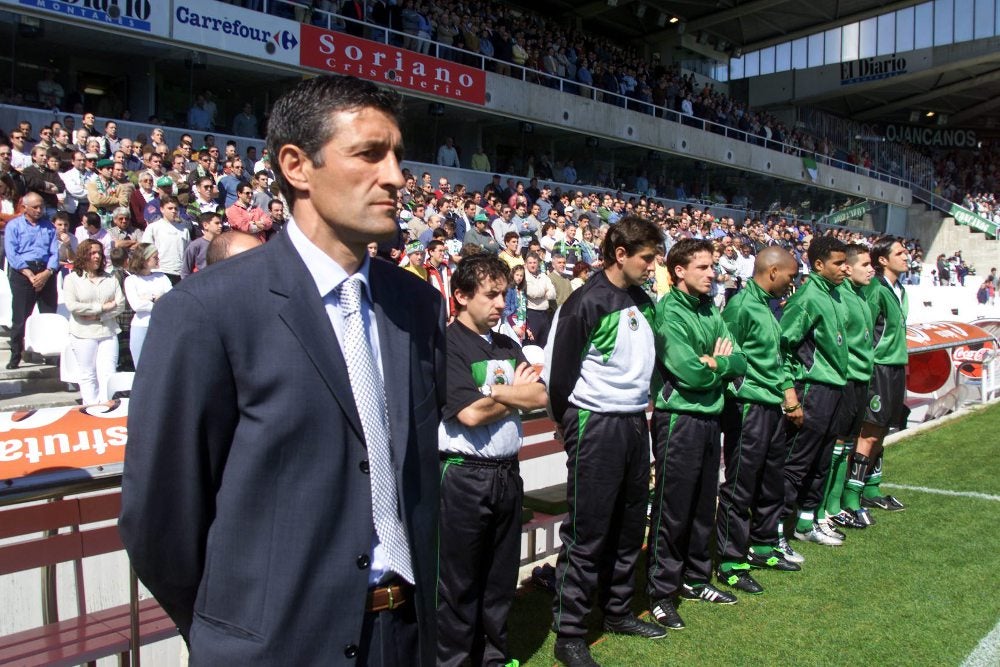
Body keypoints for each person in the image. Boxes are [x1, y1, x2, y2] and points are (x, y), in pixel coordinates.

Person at [120, 75, 446, 666]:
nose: (397, 177)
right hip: (274, 648)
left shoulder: (417, 306)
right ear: (297, 165)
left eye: (398, 156)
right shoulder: (205, 311)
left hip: (405, 637)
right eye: (370, 154)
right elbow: (160, 519)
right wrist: (234, 630)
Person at [544, 216, 667, 667]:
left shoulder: (643, 299)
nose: (653, 267)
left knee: (631, 522)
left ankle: (616, 610)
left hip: (636, 422)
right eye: (647, 258)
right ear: (620, 254)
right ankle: (570, 632)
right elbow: (557, 379)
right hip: (596, 424)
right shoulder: (584, 303)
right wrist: (573, 427)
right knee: (588, 529)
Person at [436, 253, 547, 667]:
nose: (501, 303)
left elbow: (540, 394)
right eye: (491, 294)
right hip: (464, 476)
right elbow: (469, 414)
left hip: (506, 473)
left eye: (505, 293)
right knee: (459, 584)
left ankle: (493, 659)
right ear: (461, 296)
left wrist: (496, 394)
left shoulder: (506, 343)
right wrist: (508, 394)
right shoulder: (447, 344)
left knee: (499, 579)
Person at [646, 239, 746, 629]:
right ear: (679, 272)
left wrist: (719, 362)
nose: (712, 274)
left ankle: (695, 578)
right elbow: (689, 370)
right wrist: (719, 364)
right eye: (703, 267)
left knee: (705, 505)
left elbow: (739, 359)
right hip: (679, 420)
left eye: (713, 266)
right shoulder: (668, 313)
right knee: (673, 508)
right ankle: (660, 591)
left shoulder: (709, 309)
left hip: (709, 417)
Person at [713, 247, 802, 599]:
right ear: (774, 271)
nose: (793, 282)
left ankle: (762, 547)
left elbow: (774, 357)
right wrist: (738, 394)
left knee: (770, 480)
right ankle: (730, 562)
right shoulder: (740, 306)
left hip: (771, 405)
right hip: (748, 406)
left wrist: (785, 391)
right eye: (791, 276)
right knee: (740, 484)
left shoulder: (767, 305)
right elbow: (727, 353)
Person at [778, 235, 850, 557]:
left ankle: (806, 523)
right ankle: (773, 532)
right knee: (796, 463)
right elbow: (784, 344)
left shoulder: (833, 295)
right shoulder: (807, 297)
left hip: (834, 388)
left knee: (821, 461)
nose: (844, 269)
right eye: (838, 263)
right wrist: (790, 392)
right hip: (812, 389)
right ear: (819, 264)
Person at [846, 236, 910, 520]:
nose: (906, 255)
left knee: (883, 430)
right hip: (879, 368)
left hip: (896, 367)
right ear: (883, 260)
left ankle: (871, 489)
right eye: (900, 252)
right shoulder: (876, 289)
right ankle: (851, 496)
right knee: (869, 432)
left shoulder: (901, 290)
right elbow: (865, 329)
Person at [821, 244, 876, 531]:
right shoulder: (838, 296)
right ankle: (822, 509)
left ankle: (835, 504)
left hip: (860, 380)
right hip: (844, 380)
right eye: (864, 264)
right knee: (835, 446)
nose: (871, 269)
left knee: (845, 446)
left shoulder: (861, 296)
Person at [63, 239, 125, 404]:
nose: (97, 256)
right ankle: (90, 406)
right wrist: (101, 307)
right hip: (83, 333)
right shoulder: (72, 280)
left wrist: (99, 315)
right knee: (88, 373)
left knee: (108, 373)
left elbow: (120, 305)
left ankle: (107, 405)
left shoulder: (110, 278)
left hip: (108, 331)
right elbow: (73, 306)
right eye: (92, 253)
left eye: (99, 252)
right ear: (84, 255)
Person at [4, 193, 59, 369]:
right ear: (25, 207)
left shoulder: (49, 226)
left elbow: (54, 253)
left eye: (41, 206)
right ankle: (16, 354)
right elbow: (12, 254)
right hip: (23, 272)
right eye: (35, 207)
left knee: (49, 314)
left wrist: (47, 272)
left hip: (45, 271)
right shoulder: (14, 226)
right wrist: (29, 274)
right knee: (20, 316)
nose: (39, 210)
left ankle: (51, 354)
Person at [124, 244, 172, 367]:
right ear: (144, 259)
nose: (158, 259)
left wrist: (147, 299)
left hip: (161, 325)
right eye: (154, 257)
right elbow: (136, 305)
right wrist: (156, 299)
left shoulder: (162, 277)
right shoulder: (131, 280)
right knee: (140, 365)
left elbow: (171, 300)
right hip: (140, 326)